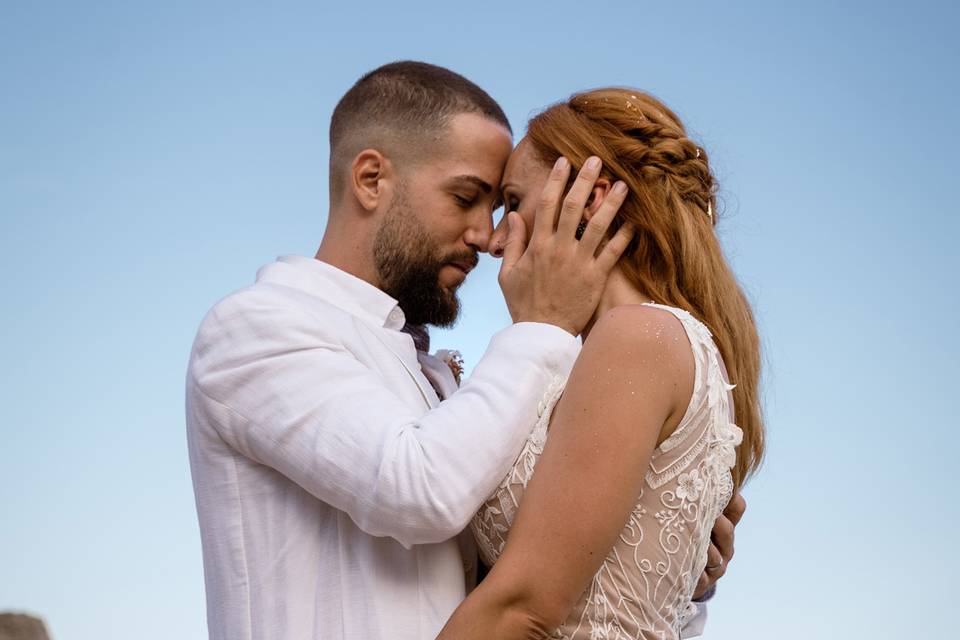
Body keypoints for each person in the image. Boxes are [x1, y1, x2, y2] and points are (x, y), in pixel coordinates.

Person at [185, 61, 737, 640]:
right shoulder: (256, 328)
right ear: (371, 179)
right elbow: (416, 493)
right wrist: (544, 326)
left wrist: (662, 553)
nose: (486, 235)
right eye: (466, 197)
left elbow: (511, 601)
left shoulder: (439, 380)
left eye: (498, 206)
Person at [437, 88, 764, 639]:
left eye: (513, 203)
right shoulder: (635, 347)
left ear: (592, 196)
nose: (495, 240)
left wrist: (534, 327)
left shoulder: (638, 338)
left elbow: (524, 607)